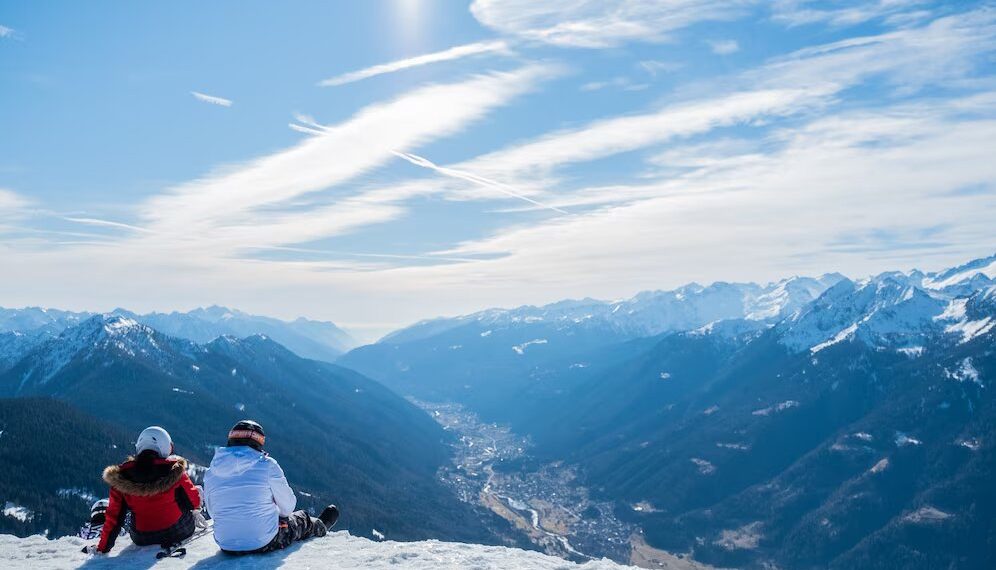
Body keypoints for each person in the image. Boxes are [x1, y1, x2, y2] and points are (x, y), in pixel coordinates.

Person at [204, 420, 338, 554]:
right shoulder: (267, 465)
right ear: (258, 442)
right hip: (263, 542)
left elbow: (213, 512)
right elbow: (288, 507)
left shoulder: (211, 472)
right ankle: (320, 526)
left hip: (226, 545)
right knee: (302, 519)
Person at [85, 426, 202, 554]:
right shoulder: (174, 470)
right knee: (191, 492)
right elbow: (194, 502)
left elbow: (114, 518)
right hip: (179, 530)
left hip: (142, 537)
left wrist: (102, 548)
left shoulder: (121, 477)